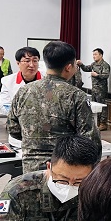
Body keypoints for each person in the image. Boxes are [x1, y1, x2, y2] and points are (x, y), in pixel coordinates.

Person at [8, 40, 101, 173]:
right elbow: (90, 139)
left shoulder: (24, 91)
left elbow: (13, 128)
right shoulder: (75, 95)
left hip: (30, 168)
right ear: (68, 67)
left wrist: (34, 140)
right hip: (65, 170)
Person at [77, 47, 111, 131]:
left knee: (102, 106)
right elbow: (86, 69)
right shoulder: (93, 64)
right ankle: (96, 123)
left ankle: (103, 123)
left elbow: (106, 75)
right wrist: (81, 64)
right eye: (93, 55)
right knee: (94, 107)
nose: (94, 56)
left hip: (101, 90)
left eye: (95, 54)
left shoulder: (105, 65)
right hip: (94, 89)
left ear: (101, 55)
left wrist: (97, 75)